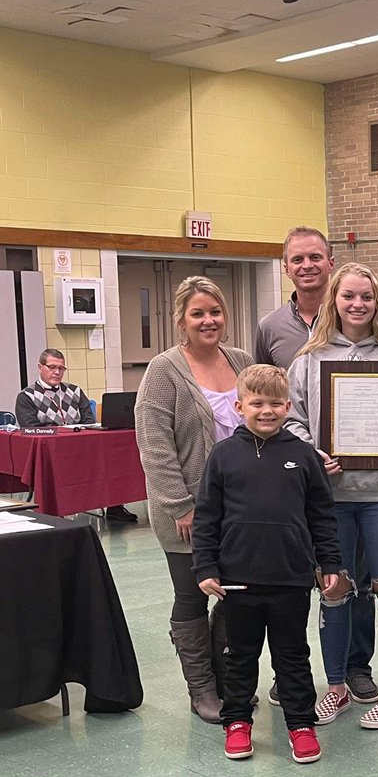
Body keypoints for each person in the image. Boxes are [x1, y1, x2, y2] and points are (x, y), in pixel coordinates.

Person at [287, 262, 378, 731]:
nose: (357, 304)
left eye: (366, 297)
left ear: (377, 302)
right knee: (334, 590)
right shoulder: (308, 360)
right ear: (334, 300)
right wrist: (312, 453)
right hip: (331, 497)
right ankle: (336, 688)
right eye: (348, 296)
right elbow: (293, 421)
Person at [254, 225, 378, 706]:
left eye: (315, 258)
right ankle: (294, 669)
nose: (307, 266)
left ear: (331, 262)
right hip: (293, 477)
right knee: (298, 580)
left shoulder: (358, 317)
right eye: (296, 260)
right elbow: (263, 394)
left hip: (354, 477)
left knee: (358, 577)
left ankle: (357, 667)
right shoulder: (271, 329)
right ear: (286, 267)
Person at [192, 365, 341, 764]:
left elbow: (321, 515)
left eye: (275, 403)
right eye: (257, 403)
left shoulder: (303, 455)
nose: (267, 411)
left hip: (291, 579)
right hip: (238, 581)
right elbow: (207, 516)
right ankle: (237, 721)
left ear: (288, 406)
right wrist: (205, 566)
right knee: (239, 656)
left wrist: (329, 562)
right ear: (240, 406)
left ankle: (300, 724)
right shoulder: (223, 456)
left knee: (292, 655)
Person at [135, 276, 252, 722]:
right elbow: (154, 444)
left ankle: (226, 680)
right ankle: (201, 689)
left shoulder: (241, 362)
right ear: (181, 320)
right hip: (187, 511)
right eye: (198, 313)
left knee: (233, 594)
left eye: (215, 311)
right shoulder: (164, 370)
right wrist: (181, 505)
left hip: (239, 510)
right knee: (191, 596)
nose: (209, 320)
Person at [15, 347, 136, 522]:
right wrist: (61, 432)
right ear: (40, 367)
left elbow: (88, 420)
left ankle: (115, 506)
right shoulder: (26, 396)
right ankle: (55, 511)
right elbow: (30, 428)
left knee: (111, 459)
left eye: (61, 368)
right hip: (51, 452)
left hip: (80, 448)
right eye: (52, 367)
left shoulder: (75, 391)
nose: (57, 372)